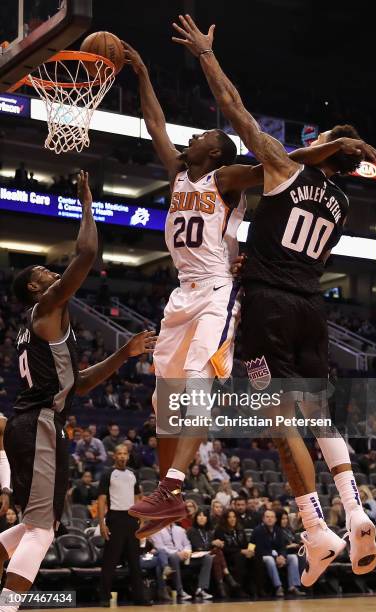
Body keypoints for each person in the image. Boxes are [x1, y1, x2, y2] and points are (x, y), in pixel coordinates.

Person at [170, 13, 376, 585]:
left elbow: (237, 110)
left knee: (278, 415)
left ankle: (316, 526)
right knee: (318, 412)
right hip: (313, 306)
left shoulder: (285, 170)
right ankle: (354, 508)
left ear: (325, 145)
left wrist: (207, 57)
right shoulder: (341, 207)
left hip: (271, 306)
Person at [122, 39, 360, 539]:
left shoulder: (226, 179)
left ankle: (172, 490)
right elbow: (155, 125)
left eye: (205, 135)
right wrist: (141, 72)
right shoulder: (179, 175)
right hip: (180, 296)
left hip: (217, 291)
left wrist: (331, 148)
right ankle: (167, 499)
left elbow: (282, 161)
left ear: (216, 151)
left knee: (194, 385)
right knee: (165, 401)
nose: (194, 139)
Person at [0, 172, 156, 610]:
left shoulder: (46, 328)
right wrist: (88, 203)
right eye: (46, 271)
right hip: (39, 426)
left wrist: (124, 354)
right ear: (35, 287)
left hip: (37, 424)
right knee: (41, 531)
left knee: (33, 524)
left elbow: (81, 383)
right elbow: (87, 252)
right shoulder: (45, 308)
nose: (55, 273)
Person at [98, 445, 150, 606]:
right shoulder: (108, 474)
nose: (122, 456)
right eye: (119, 453)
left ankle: (139, 598)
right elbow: (101, 500)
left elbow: (137, 498)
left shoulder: (133, 474)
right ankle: (104, 598)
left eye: (124, 454)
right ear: (114, 456)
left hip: (131, 519)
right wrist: (102, 523)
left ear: (128, 456)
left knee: (135, 561)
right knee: (110, 561)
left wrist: (141, 520)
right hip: (115, 518)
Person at [150, 522, 213, 600]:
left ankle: (201, 589)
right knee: (174, 557)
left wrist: (186, 552)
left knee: (207, 558)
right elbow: (160, 547)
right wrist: (177, 553)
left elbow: (187, 544)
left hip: (184, 556)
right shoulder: (156, 530)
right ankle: (180, 591)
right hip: (169, 557)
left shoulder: (179, 529)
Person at [251, 509, 304, 597]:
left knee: (293, 557)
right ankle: (278, 587)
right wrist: (276, 557)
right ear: (263, 519)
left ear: (275, 519)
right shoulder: (258, 530)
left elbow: (282, 547)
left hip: (276, 556)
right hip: (262, 556)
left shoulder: (278, 530)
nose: (270, 519)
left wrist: (282, 556)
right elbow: (261, 549)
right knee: (270, 559)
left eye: (272, 517)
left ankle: (294, 586)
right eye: (267, 517)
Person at [187, 509, 237, 598]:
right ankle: (226, 576)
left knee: (217, 552)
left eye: (204, 516)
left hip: (208, 556)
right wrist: (212, 543)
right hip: (194, 557)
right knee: (215, 554)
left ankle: (213, 586)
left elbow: (209, 548)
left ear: (207, 518)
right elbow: (198, 547)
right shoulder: (191, 531)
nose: (202, 518)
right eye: (199, 516)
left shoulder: (209, 532)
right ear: (196, 518)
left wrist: (218, 544)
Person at [214, 509, 254, 595]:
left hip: (241, 553)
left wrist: (250, 550)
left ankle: (256, 588)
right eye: (229, 517)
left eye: (234, 517)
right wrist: (241, 551)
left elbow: (246, 544)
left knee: (256, 556)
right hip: (228, 556)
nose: (232, 519)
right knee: (239, 557)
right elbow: (224, 548)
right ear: (225, 519)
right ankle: (238, 589)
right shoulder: (220, 531)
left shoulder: (240, 529)